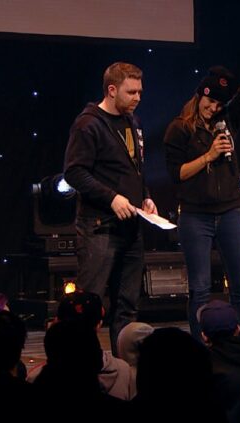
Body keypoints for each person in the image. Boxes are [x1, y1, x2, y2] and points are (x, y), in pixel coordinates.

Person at [164, 26, 240, 340]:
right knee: (199, 288)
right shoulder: (179, 129)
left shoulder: (226, 120)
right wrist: (209, 155)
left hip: (230, 212)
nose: (213, 108)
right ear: (200, 95)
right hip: (196, 216)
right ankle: (200, 352)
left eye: (219, 104)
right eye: (210, 101)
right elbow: (177, 174)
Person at [64, 62, 158, 354]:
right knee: (88, 304)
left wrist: (145, 196)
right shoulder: (88, 124)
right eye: (131, 92)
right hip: (99, 228)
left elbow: (133, 168)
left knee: (127, 305)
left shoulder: (134, 121)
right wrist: (112, 197)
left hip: (130, 227)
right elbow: (74, 173)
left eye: (140, 91)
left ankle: (125, 369)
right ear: (112, 90)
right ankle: (80, 367)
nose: (137, 97)